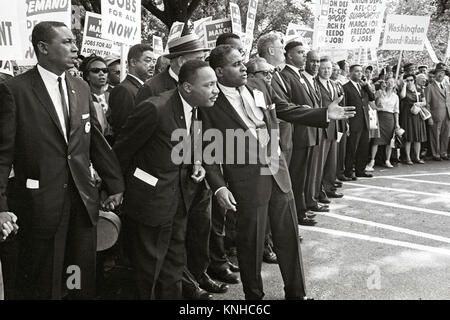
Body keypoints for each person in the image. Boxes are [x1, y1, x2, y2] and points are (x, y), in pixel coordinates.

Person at [204, 44, 353, 300]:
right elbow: (206, 149)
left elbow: (284, 109)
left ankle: (297, 294)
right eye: (236, 64)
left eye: (243, 62)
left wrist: (322, 114)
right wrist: (219, 186)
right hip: (246, 181)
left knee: (288, 237)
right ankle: (254, 297)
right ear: (219, 71)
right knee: (250, 243)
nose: (243, 67)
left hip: (277, 169)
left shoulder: (258, 86)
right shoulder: (209, 101)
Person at [0, 21, 124, 299]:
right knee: (45, 280)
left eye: (73, 41)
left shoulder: (80, 87)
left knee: (77, 276)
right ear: (43, 48)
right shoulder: (15, 90)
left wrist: (116, 183)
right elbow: (3, 154)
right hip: (40, 205)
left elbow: (93, 141)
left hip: (82, 201)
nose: (75, 47)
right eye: (66, 42)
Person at [113, 60, 215, 299]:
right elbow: (121, 151)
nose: (216, 90)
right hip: (150, 204)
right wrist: (115, 190)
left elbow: (194, 133)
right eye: (209, 85)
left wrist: (197, 161)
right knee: (148, 272)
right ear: (187, 87)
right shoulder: (155, 108)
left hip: (179, 201)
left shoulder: (196, 106)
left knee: (174, 265)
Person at [132, 35, 222, 300]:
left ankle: (191, 282)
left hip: (185, 190)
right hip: (154, 195)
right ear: (182, 62)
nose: (205, 61)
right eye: (199, 56)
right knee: (152, 265)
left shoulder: (200, 93)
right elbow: (131, 147)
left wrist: (196, 160)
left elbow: (195, 126)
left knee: (179, 251)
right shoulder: (153, 91)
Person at [281, 42, 321, 226]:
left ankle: (301, 208)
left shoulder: (299, 75)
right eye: (300, 53)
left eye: (304, 53)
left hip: (307, 133)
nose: (304, 56)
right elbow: (289, 106)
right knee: (296, 176)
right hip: (297, 134)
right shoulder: (286, 75)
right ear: (289, 55)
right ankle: (297, 214)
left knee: (302, 176)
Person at [109, 44, 155, 142]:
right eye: (147, 60)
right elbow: (123, 131)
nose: (152, 65)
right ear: (133, 62)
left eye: (154, 61)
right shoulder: (124, 90)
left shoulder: (144, 88)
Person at [316, 57, 343, 199]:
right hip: (321, 126)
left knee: (332, 161)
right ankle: (319, 191)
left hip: (334, 126)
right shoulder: (314, 84)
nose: (326, 71)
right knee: (320, 163)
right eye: (323, 68)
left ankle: (329, 187)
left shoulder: (334, 84)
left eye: (329, 68)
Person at [343, 64, 375, 179]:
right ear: (350, 73)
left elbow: (372, 98)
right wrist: (346, 122)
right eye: (356, 71)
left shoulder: (363, 86)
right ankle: (348, 171)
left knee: (363, 147)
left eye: (361, 71)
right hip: (353, 121)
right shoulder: (345, 87)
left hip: (365, 120)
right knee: (352, 148)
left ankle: (360, 170)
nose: (359, 74)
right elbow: (344, 105)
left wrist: (367, 86)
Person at [367, 78, 400, 169]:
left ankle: (387, 160)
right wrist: (378, 106)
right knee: (376, 140)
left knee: (390, 141)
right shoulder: (380, 93)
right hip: (379, 117)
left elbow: (396, 111)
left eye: (392, 82)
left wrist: (397, 123)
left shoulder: (395, 96)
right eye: (388, 82)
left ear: (394, 85)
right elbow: (373, 103)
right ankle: (372, 160)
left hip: (390, 118)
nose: (389, 84)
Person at [79, 55, 113, 140]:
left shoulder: (113, 95)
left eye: (105, 71)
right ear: (87, 76)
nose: (101, 74)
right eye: (96, 71)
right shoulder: (82, 98)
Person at [399, 74, 427, 164]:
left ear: (414, 80)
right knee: (409, 138)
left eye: (411, 80)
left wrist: (419, 104)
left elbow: (424, 102)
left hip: (417, 114)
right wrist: (404, 85)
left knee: (417, 137)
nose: (410, 82)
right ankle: (408, 158)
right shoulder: (404, 89)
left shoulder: (419, 89)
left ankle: (417, 157)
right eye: (407, 80)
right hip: (407, 115)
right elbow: (402, 96)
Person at [424, 66, 450, 161]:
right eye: (438, 72)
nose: (440, 74)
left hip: (447, 114)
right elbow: (427, 104)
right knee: (435, 135)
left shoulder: (447, 86)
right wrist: (429, 117)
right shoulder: (429, 88)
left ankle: (443, 152)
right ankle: (436, 154)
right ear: (435, 75)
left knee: (445, 134)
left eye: (442, 73)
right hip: (435, 115)